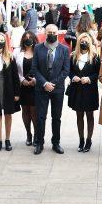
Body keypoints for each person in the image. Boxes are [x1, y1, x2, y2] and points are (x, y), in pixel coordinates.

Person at [30, 24, 70, 155]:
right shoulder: (37, 48)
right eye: (49, 32)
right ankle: (39, 143)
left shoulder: (64, 49)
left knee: (56, 117)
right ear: (45, 34)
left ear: (57, 33)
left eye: (54, 32)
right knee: (40, 117)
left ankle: (56, 142)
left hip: (57, 89)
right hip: (41, 88)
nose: (52, 34)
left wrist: (52, 83)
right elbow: (34, 68)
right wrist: (44, 83)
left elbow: (66, 70)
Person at [67, 32, 100, 153]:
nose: (84, 43)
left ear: (90, 43)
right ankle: (81, 140)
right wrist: (72, 77)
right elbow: (69, 71)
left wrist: (90, 78)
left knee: (89, 115)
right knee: (79, 115)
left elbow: (98, 74)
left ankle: (89, 140)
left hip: (90, 90)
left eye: (86, 41)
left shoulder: (95, 57)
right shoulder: (73, 56)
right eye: (82, 41)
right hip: (77, 89)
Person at [14, 31, 38, 147]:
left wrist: (35, 80)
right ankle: (29, 134)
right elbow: (14, 70)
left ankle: (37, 135)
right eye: (25, 38)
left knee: (34, 112)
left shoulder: (38, 51)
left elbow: (43, 69)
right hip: (22, 86)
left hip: (35, 86)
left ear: (34, 39)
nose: (28, 39)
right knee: (25, 111)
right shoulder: (17, 52)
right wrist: (22, 80)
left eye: (30, 38)